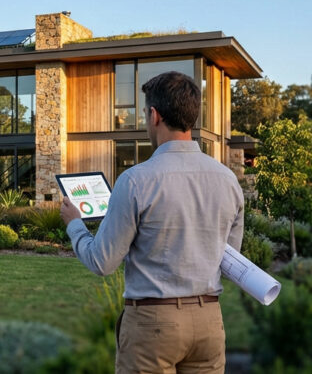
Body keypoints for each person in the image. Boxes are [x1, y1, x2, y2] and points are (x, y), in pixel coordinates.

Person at [61, 71, 243, 374]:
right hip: (209, 320)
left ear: (154, 115)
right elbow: (228, 257)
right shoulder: (228, 180)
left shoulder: (135, 180)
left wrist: (74, 224)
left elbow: (102, 262)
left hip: (152, 324)